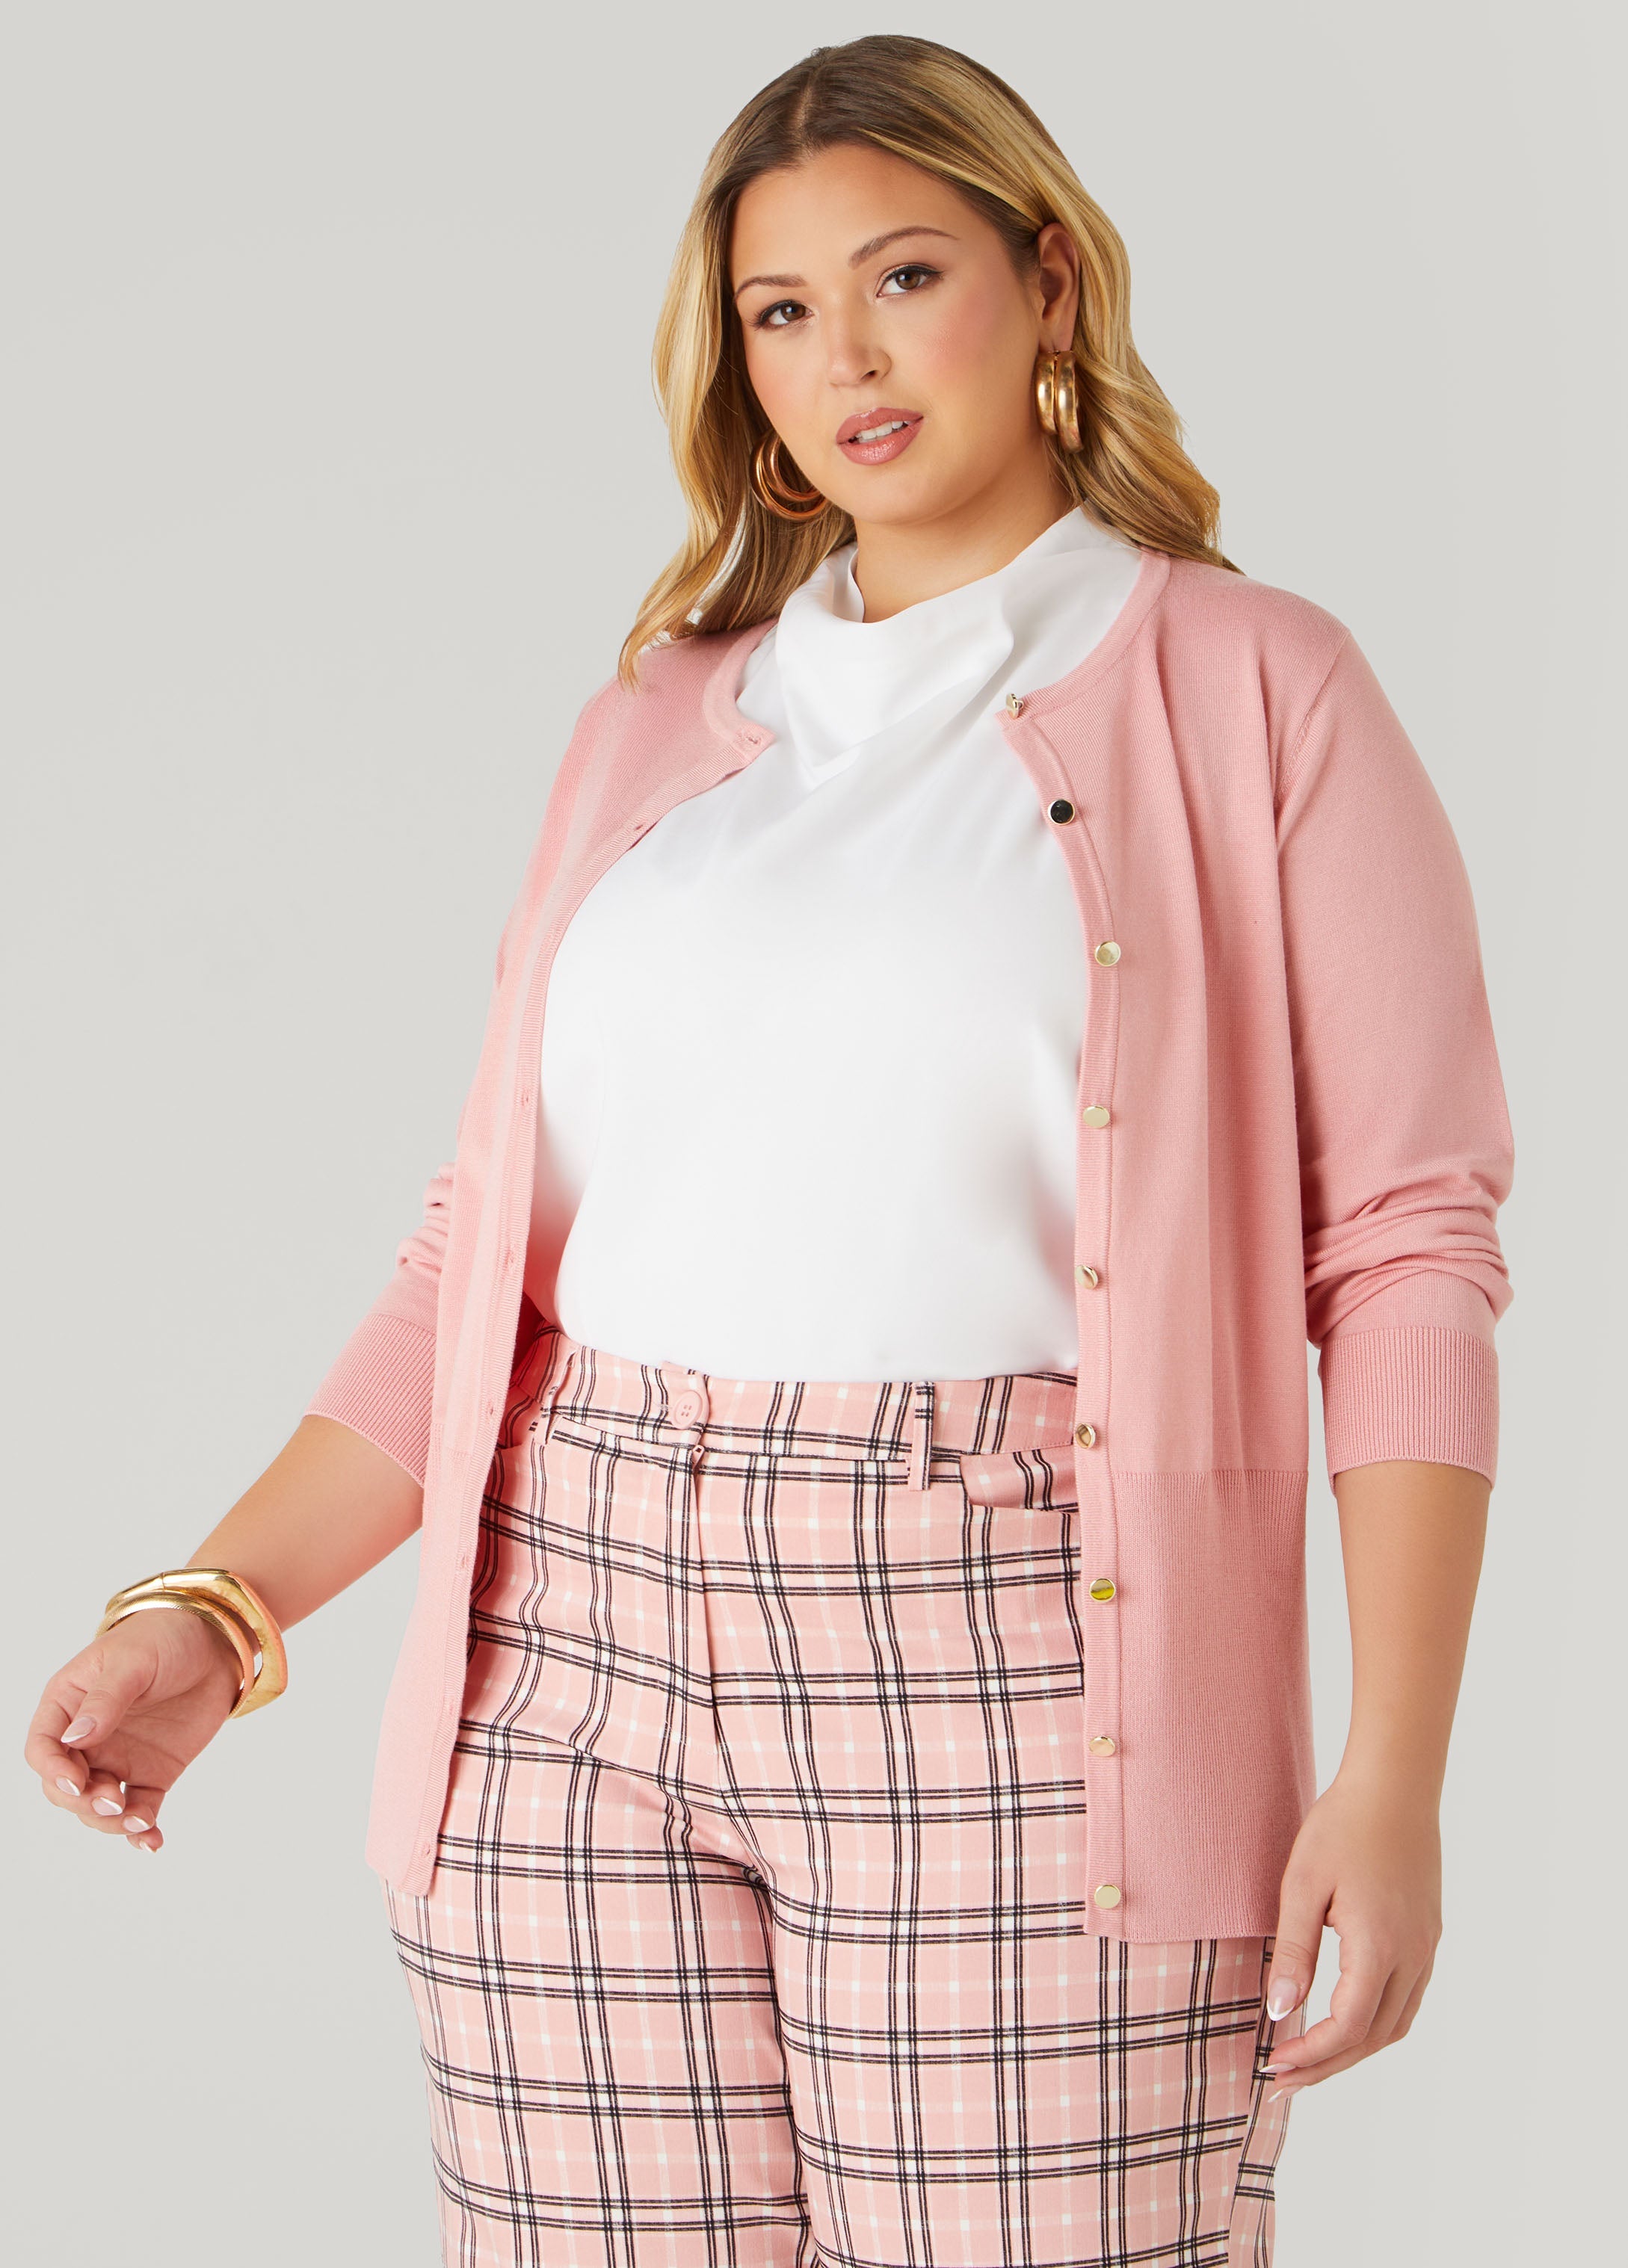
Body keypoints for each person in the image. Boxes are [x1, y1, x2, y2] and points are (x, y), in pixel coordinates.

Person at [23, 34, 1514, 2267]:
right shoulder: (652, 721)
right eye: (782, 310)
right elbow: (484, 1261)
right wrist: (216, 1612)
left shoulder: (1254, 686)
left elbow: (1400, 1248)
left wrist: (1390, 1774)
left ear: (1046, 282)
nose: (846, 358)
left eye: (904, 277)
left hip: (1029, 1658)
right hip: (567, 1640)